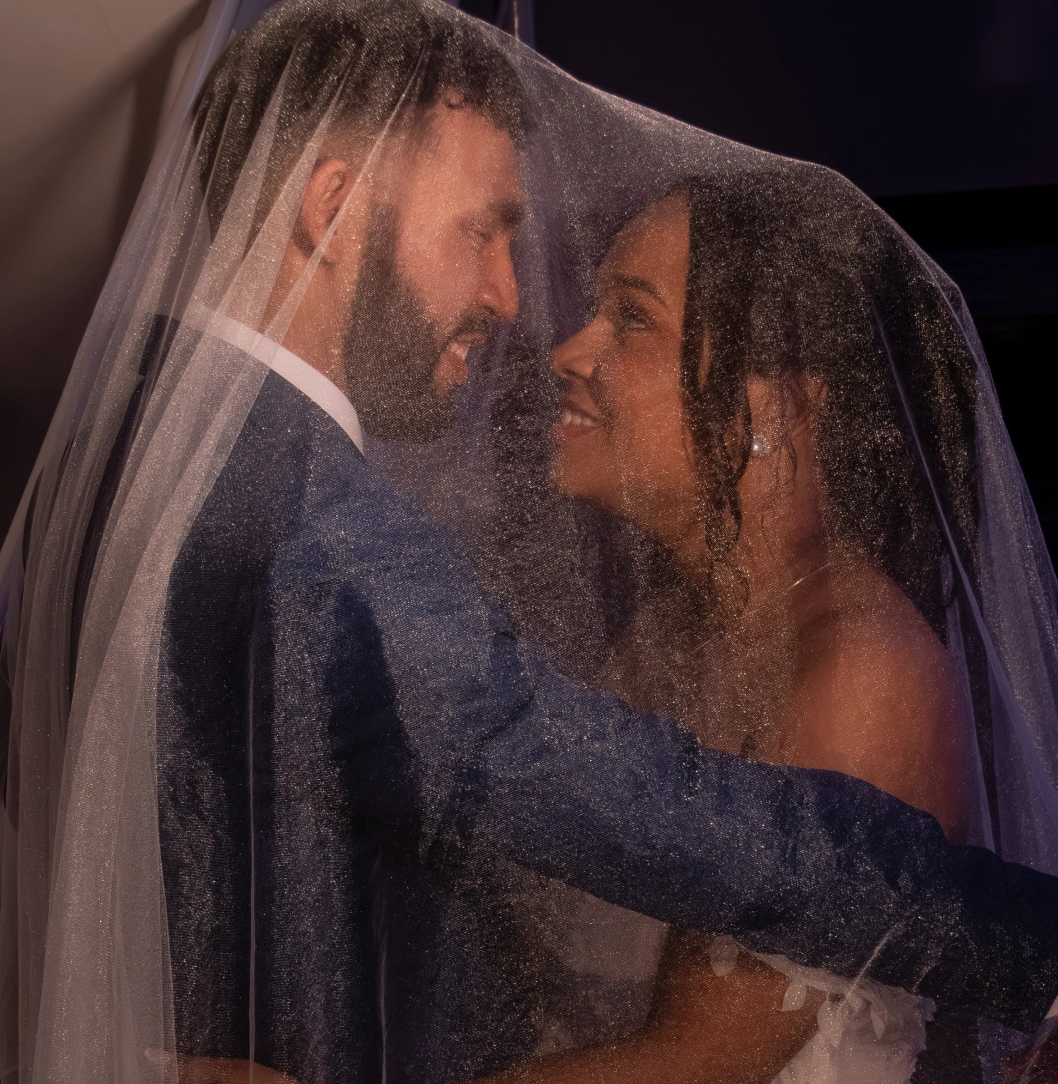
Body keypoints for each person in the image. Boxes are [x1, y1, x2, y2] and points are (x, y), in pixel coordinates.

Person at [3, 4, 1058, 1084]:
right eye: (482, 230)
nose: (518, 307)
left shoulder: (112, 449)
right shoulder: (325, 534)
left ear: (781, 402)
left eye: (628, 315)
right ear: (332, 207)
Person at [467, 175, 1058, 1083]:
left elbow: (694, 1063)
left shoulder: (862, 670)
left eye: (632, 318)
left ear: (784, 404)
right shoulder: (671, 630)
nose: (567, 351)